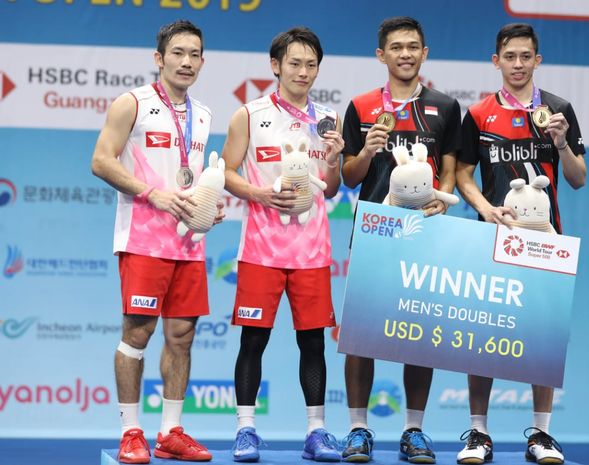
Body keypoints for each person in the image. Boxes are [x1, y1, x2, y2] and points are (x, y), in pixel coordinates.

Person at [454, 23, 587, 465]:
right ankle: (478, 432)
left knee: (541, 337)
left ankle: (542, 436)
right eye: (509, 56)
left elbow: (578, 177)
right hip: (491, 238)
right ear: (496, 61)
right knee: (483, 337)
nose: (517, 64)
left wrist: (562, 143)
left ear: (537, 60)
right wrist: (484, 208)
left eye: (525, 56)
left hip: (545, 243)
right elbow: (463, 176)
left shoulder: (559, 110)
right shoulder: (478, 114)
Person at [91, 20, 221, 464]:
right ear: (159, 57)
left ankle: (170, 432)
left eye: (194, 54)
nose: (186, 62)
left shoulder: (203, 115)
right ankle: (131, 431)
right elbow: (101, 161)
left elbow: (195, 175)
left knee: (182, 336)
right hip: (144, 239)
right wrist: (153, 194)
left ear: (203, 62)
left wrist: (209, 206)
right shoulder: (132, 103)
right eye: (178, 53)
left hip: (189, 243)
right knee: (139, 333)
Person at [340, 16, 462, 464]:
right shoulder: (361, 106)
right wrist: (369, 149)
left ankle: (414, 430)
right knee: (361, 336)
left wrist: (443, 200)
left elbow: (449, 166)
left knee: (420, 334)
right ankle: (358, 430)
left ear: (424, 53)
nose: (406, 54)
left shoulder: (446, 107)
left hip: (428, 235)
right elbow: (349, 177)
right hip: (375, 231)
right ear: (382, 55)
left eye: (413, 46)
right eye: (396, 47)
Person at [220, 27, 344, 463]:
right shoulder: (249, 115)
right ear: (276, 66)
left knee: (313, 344)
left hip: (312, 252)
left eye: (311, 64)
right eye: (295, 63)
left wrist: (333, 159)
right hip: (261, 252)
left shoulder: (328, 120)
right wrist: (258, 194)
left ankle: (316, 432)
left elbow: (330, 188)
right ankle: (246, 430)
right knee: (253, 342)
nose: (303, 72)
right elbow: (227, 171)